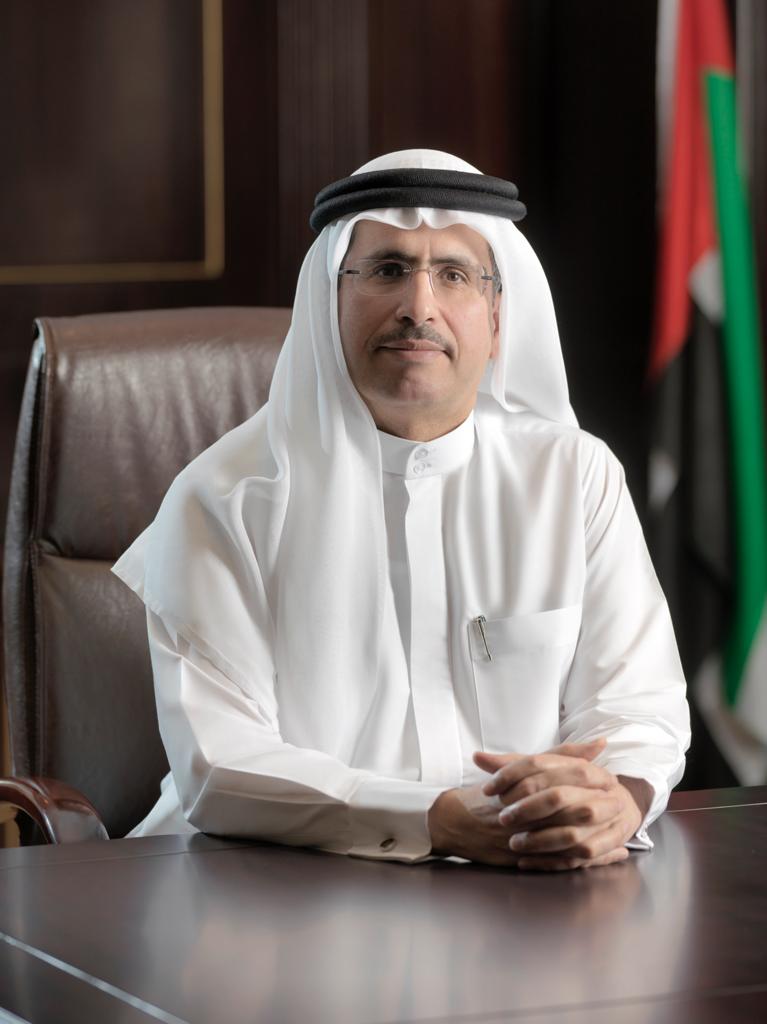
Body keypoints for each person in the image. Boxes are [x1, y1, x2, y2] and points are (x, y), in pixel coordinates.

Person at [113, 149, 690, 871]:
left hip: (525, 884)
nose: (420, 307)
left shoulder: (574, 476)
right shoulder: (223, 498)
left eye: (454, 275)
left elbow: (637, 704)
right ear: (329, 304)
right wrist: (435, 821)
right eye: (388, 270)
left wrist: (617, 798)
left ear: (497, 318)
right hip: (259, 886)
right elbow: (221, 764)